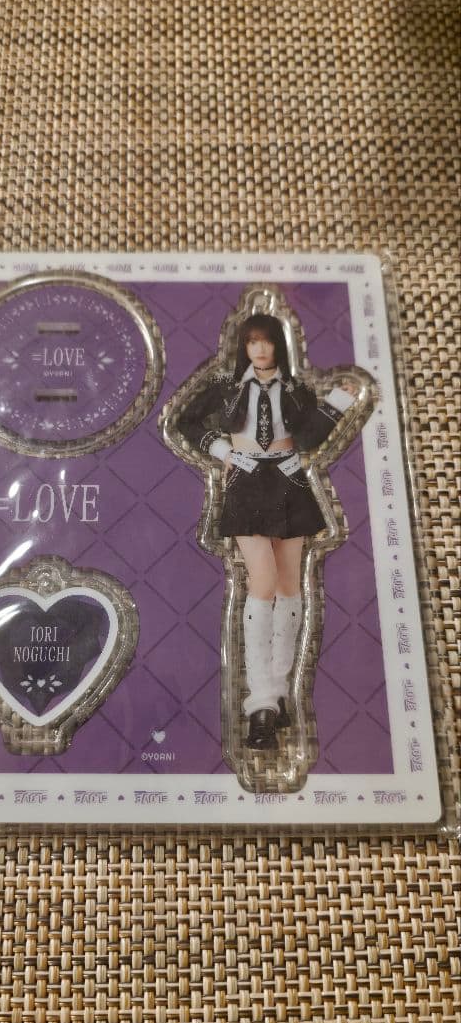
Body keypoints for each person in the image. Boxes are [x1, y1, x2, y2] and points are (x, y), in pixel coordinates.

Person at [176, 312, 356, 750]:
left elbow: (309, 438)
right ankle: (260, 702)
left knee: (290, 585)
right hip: (246, 482)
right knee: (263, 581)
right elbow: (185, 421)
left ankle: (275, 696)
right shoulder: (226, 385)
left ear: (279, 345)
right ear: (243, 346)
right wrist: (225, 452)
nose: (259, 349)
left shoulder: (295, 389)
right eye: (252, 341)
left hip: (290, 481)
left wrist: (337, 402)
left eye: (267, 341)